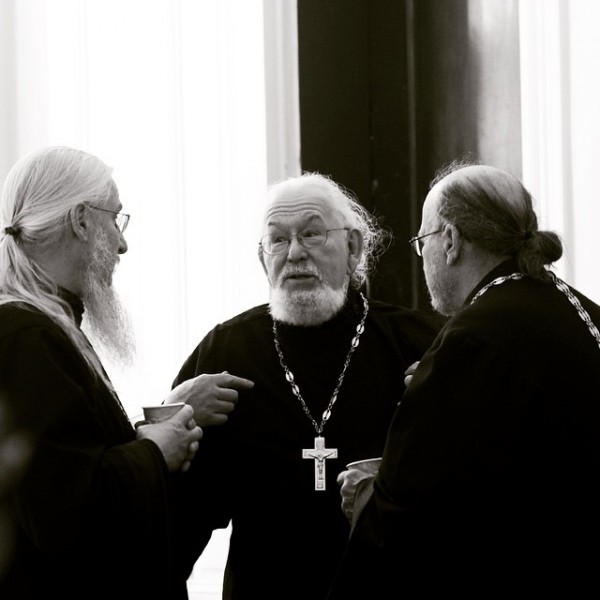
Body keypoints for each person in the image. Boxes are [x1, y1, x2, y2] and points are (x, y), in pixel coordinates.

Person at [330, 163, 600, 598]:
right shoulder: (581, 310)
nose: (424, 258)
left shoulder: (472, 338)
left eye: (422, 243)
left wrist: (366, 494)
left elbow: (418, 517)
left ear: (451, 241)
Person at [171, 172, 443, 599]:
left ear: (353, 248)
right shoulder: (227, 350)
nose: (295, 253)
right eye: (277, 240)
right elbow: (181, 509)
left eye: (312, 234)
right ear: (262, 259)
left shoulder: (415, 344)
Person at [0, 146, 215, 600]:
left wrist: (154, 429)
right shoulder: (28, 336)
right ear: (81, 220)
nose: (122, 244)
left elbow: (70, 459)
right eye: (115, 218)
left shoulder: (41, 326)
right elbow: (62, 512)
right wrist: (155, 450)